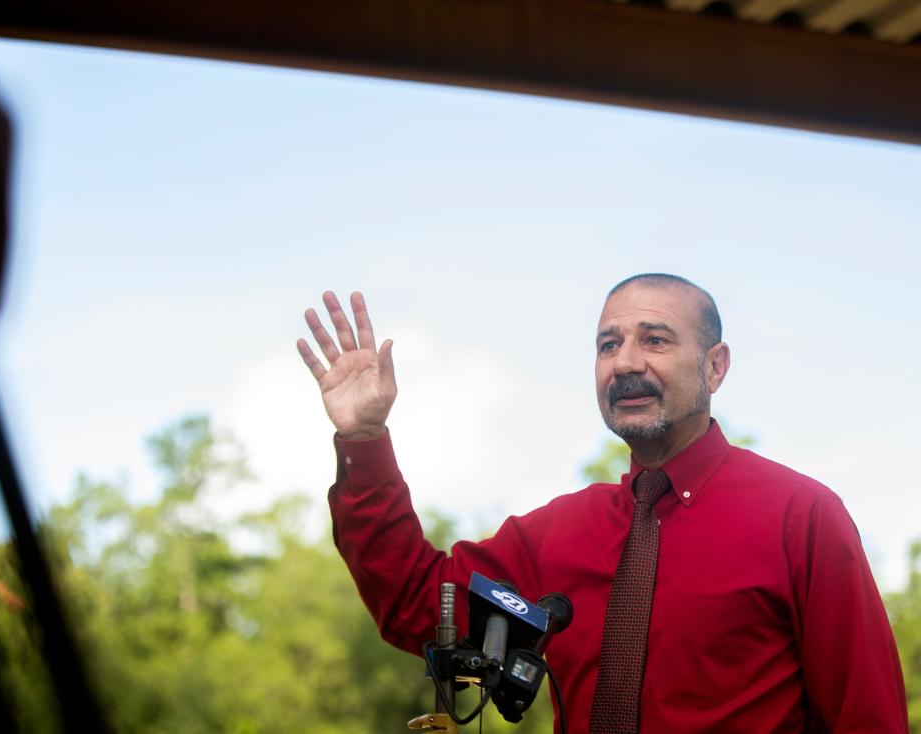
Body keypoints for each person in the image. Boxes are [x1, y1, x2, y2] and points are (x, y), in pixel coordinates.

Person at [297, 276, 908, 733]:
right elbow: (416, 604)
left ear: (715, 367)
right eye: (608, 344)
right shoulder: (558, 534)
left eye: (656, 340)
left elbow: (866, 716)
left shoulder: (801, 516)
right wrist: (364, 439)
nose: (626, 363)